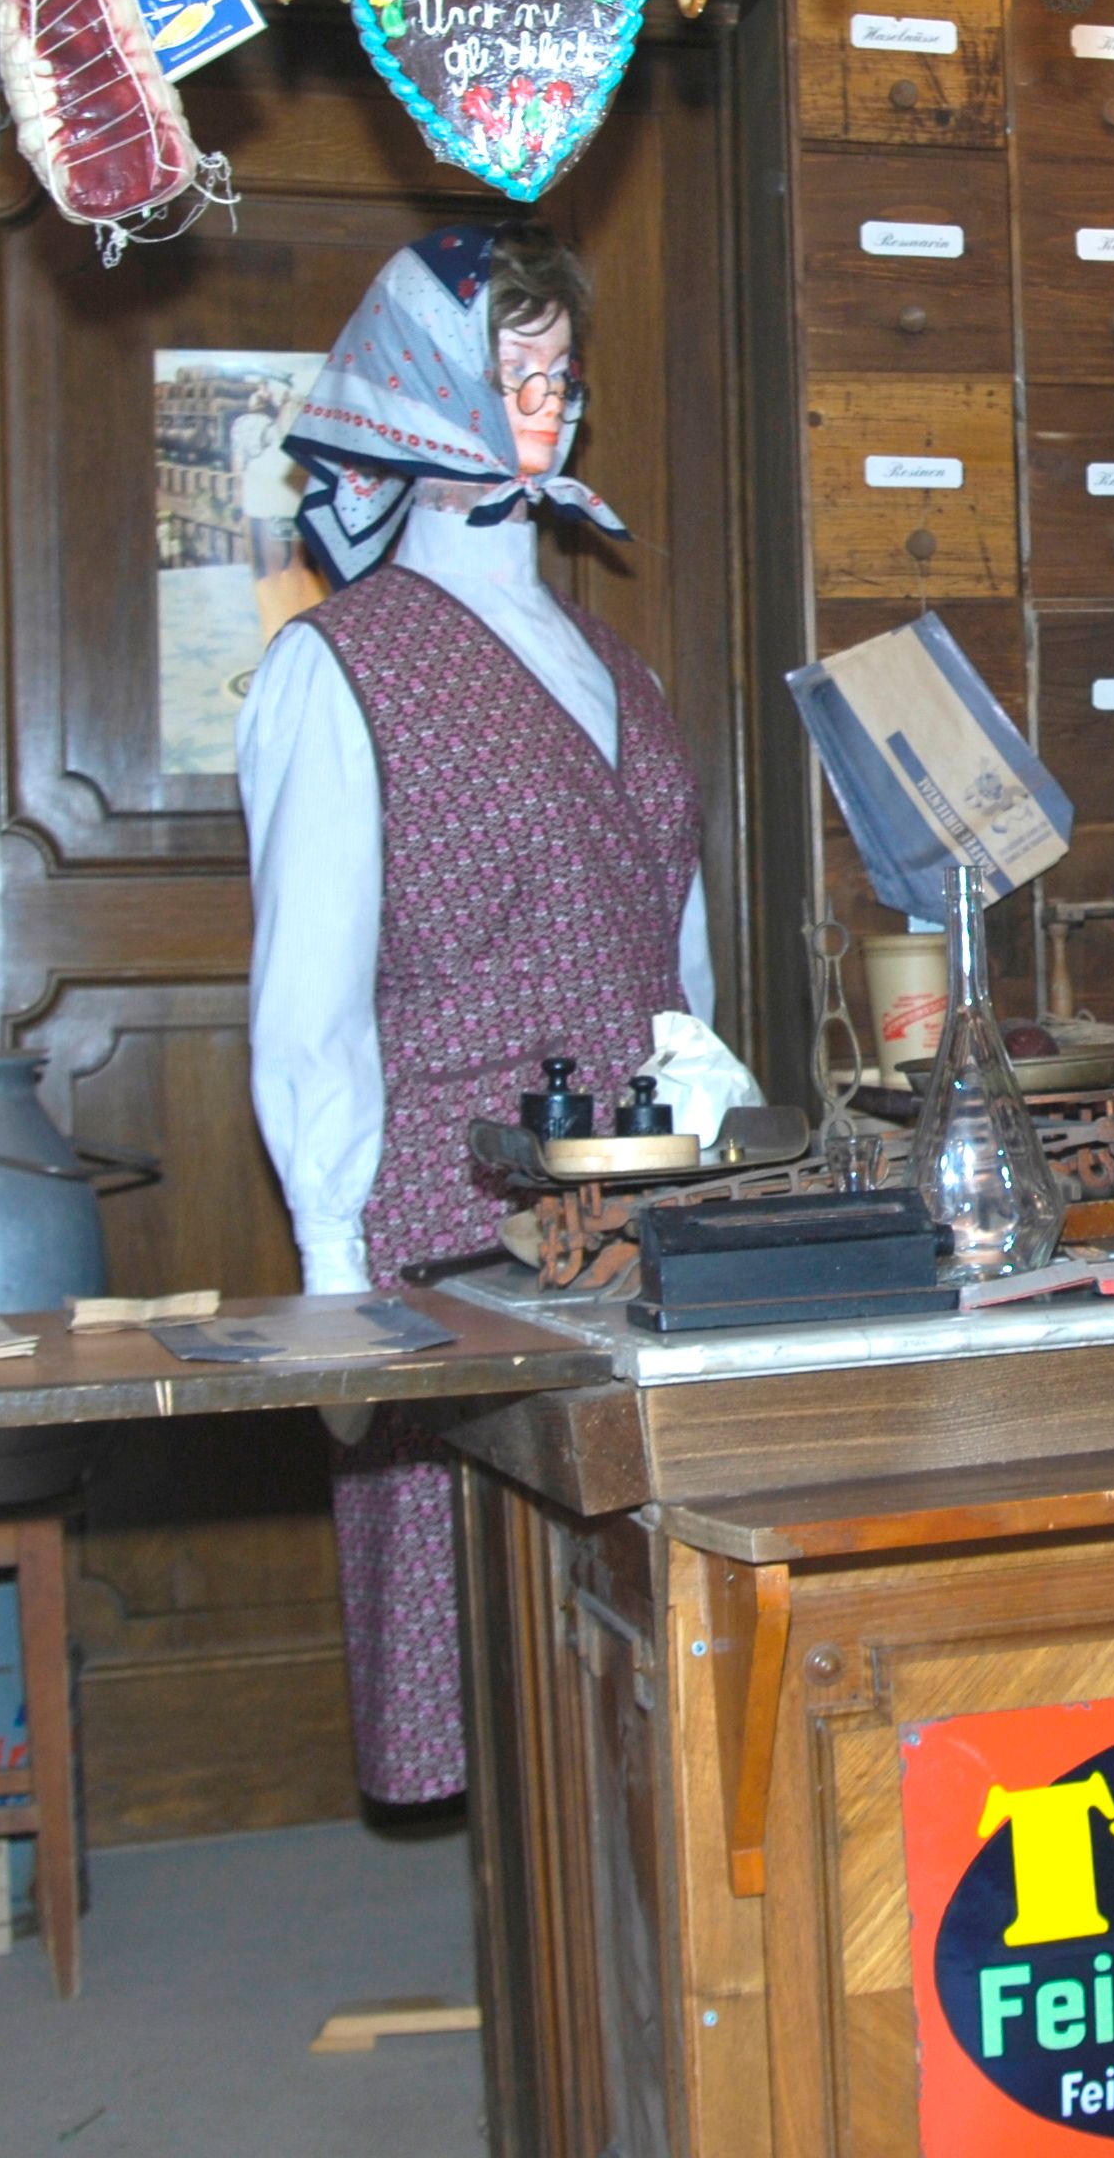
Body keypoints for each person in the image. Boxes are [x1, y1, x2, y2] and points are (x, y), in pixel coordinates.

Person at [237, 221, 712, 1807]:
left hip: (641, 1216)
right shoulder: (336, 670)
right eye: (503, 361)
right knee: (487, 1654)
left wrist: (715, 1154)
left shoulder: (619, 667)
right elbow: (309, 1003)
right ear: (414, 390)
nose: (544, 392)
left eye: (558, 365)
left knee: (636, 1654)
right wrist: (326, 1279)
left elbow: (675, 957)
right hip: (445, 1227)